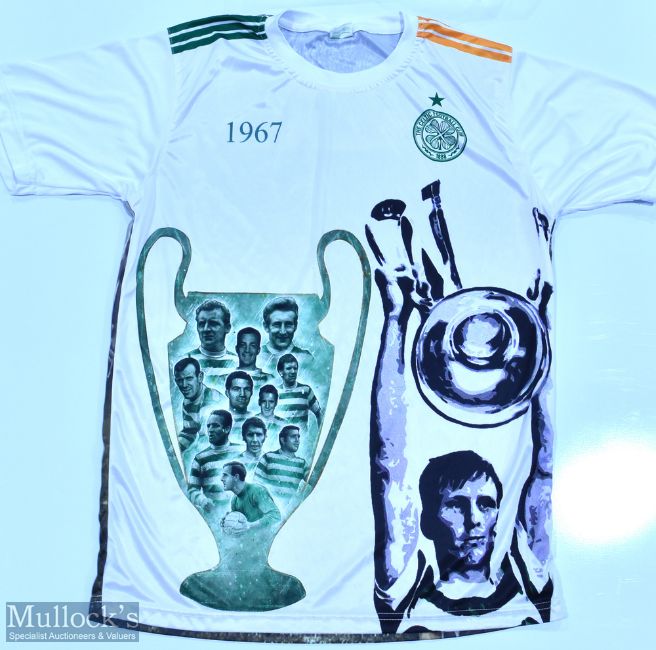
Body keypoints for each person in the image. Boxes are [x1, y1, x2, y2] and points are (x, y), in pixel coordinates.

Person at [366, 185, 554, 633]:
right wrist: (395, 317)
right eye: (456, 505)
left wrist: (541, 334)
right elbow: (389, 464)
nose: (475, 520)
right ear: (427, 520)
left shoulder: (529, 573)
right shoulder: (405, 588)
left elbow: (545, 466)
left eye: (486, 503)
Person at [187, 410, 240, 512]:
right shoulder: (200, 458)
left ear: (227, 429)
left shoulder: (240, 451)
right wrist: (203, 501)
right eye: (208, 426)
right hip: (215, 515)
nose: (210, 430)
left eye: (215, 426)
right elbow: (192, 490)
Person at [173, 357, 224, 453]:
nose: (184, 385)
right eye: (180, 380)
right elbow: (189, 432)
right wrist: (172, 450)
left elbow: (208, 440)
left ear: (200, 377)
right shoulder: (187, 402)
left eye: (189, 378)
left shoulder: (212, 400)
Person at [187, 299, 237, 389]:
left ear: (227, 327)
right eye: (201, 324)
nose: (206, 329)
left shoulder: (237, 362)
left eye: (213, 323)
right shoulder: (186, 360)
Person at [220, 461, 281, 533]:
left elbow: (275, 516)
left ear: (236, 477)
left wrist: (250, 525)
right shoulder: (234, 500)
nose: (221, 479)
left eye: (225, 475)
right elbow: (238, 529)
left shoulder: (257, 491)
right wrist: (228, 523)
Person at [259, 296, 312, 370]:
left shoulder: (306, 359)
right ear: (266, 327)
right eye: (277, 325)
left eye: (288, 325)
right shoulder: (257, 357)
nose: (283, 332)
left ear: (295, 326)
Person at [255, 425, 307, 499]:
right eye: (293, 436)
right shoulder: (268, 457)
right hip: (269, 504)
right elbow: (256, 483)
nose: (297, 440)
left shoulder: (302, 463)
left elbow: (314, 480)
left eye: (298, 437)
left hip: (291, 505)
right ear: (282, 440)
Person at [276, 354, 322, 429]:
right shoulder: (275, 392)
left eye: (295, 368)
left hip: (301, 436)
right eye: (288, 368)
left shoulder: (306, 390)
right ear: (281, 372)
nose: (293, 371)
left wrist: (320, 433)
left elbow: (319, 413)